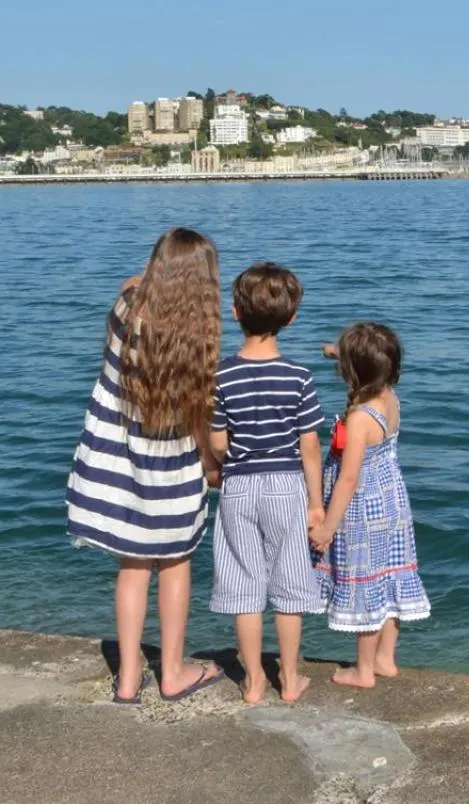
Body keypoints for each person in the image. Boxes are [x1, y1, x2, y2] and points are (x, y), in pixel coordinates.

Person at [66, 228, 227, 704]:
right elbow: (201, 423)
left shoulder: (124, 310)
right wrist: (211, 464)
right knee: (175, 563)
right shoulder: (198, 347)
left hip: (118, 462)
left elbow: (132, 284)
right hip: (171, 467)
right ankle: (173, 672)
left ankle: (130, 678)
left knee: (132, 567)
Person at [209, 262, 327, 704]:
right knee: (291, 582)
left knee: (243, 583)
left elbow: (218, 440)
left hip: (239, 484)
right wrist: (316, 503)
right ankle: (291, 680)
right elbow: (310, 446)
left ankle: (254, 679)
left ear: (236, 312)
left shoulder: (222, 374)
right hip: (286, 485)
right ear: (291, 318)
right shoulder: (298, 377)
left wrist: (225, 460)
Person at [310, 322, 430, 688]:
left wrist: (328, 526)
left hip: (363, 510)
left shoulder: (360, 418)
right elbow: (368, 367)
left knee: (365, 583)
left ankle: (362, 672)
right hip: (392, 502)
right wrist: (335, 351)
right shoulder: (389, 397)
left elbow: (348, 478)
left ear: (353, 374)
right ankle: (384, 660)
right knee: (389, 576)